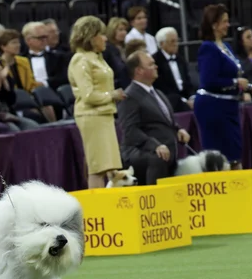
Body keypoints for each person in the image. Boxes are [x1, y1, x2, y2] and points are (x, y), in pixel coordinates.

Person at [193, 4, 252, 169]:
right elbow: (209, 80)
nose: (228, 25)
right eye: (224, 21)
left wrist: (251, 87)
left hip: (229, 107)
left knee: (234, 154)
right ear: (214, 25)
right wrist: (235, 83)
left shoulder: (226, 47)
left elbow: (231, 77)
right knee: (219, 157)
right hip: (213, 108)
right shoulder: (208, 48)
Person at [67, 15, 126, 189]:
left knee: (109, 166)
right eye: (101, 34)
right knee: (97, 167)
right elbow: (88, 95)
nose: (105, 38)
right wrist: (112, 95)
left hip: (104, 115)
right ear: (91, 37)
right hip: (91, 116)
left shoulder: (97, 57)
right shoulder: (80, 60)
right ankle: (99, 210)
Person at [119, 51, 191, 185]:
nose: (156, 66)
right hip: (145, 154)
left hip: (168, 153)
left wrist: (178, 130)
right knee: (157, 159)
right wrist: (154, 145)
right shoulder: (129, 96)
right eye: (151, 64)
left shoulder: (158, 93)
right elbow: (130, 131)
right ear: (139, 71)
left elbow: (164, 121)